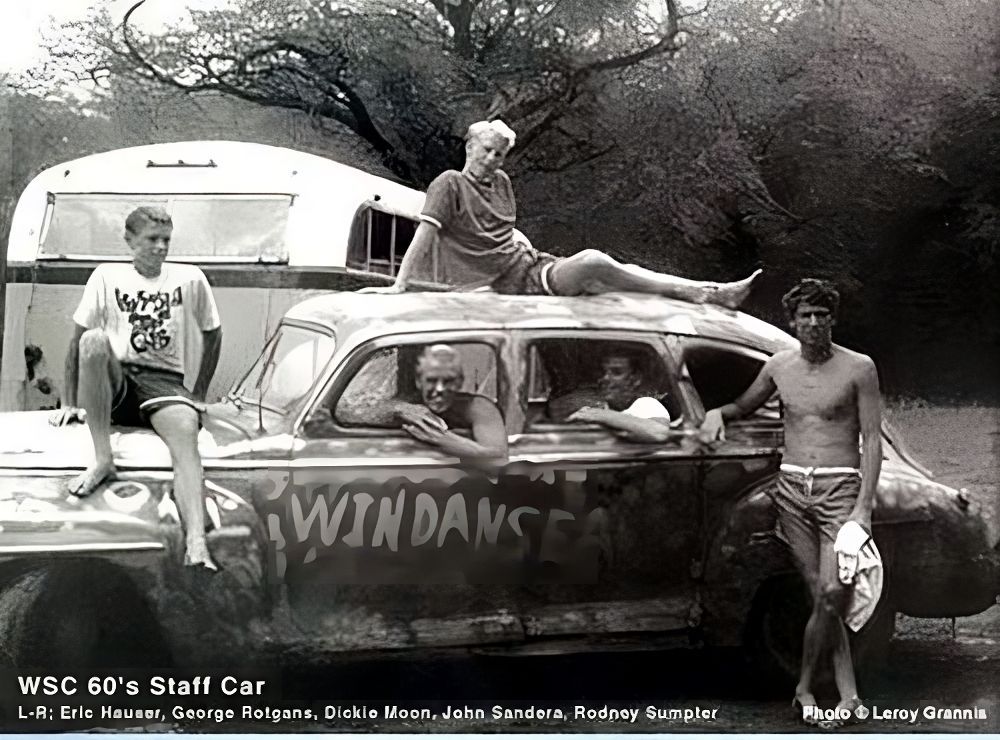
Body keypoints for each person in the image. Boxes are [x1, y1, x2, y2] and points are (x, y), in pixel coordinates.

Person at [699, 278, 881, 726]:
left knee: (831, 591)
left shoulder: (859, 368)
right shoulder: (780, 367)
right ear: (793, 322)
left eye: (822, 315)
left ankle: (802, 687)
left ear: (833, 320)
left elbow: (873, 441)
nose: (814, 324)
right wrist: (715, 413)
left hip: (840, 489)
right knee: (820, 594)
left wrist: (863, 508)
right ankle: (849, 694)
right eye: (806, 316)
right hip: (792, 491)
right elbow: (743, 405)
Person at [387, 120, 761, 307]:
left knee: (610, 277)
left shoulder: (501, 182)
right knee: (595, 264)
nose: (491, 159)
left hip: (529, 267)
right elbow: (426, 234)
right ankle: (702, 292)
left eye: (499, 154)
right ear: (469, 145)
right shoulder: (449, 183)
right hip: (505, 287)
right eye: (486, 149)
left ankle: (707, 292)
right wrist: (400, 285)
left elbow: (504, 236)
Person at [50, 206, 223, 571]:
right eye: (152, 240)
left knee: (186, 439)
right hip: (118, 381)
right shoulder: (106, 276)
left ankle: (196, 543)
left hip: (164, 381)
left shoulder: (190, 278)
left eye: (166, 240)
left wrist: (200, 393)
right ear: (129, 240)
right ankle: (102, 459)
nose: (161, 248)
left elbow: (213, 331)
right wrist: (68, 399)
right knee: (95, 341)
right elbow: (77, 340)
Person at [344, 344, 508, 461]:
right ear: (418, 382)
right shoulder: (406, 404)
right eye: (431, 380)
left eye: (449, 381)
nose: (439, 388)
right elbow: (347, 411)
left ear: (460, 383)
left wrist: (444, 440)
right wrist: (398, 409)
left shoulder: (477, 407)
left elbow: (498, 460)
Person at [550, 350, 675, 443]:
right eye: (603, 372)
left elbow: (659, 432)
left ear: (635, 379)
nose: (605, 378)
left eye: (616, 372)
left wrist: (596, 415)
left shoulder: (645, 404)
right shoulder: (599, 405)